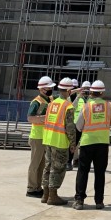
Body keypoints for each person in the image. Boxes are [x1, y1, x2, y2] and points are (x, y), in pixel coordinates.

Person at [73, 80, 111, 210]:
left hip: (87, 142)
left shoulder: (86, 106)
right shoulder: (109, 106)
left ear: (91, 92)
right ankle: (99, 201)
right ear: (102, 92)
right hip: (102, 143)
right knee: (100, 172)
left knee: (83, 171)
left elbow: (78, 126)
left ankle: (79, 200)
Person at [41, 77, 77, 206]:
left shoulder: (52, 103)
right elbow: (70, 127)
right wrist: (73, 143)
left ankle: (45, 194)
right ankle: (53, 196)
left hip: (48, 138)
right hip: (60, 141)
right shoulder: (68, 106)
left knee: (48, 166)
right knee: (58, 168)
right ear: (68, 90)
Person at [26, 75, 55, 197]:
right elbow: (30, 118)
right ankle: (31, 188)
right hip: (37, 137)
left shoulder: (50, 100)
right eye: (48, 88)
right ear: (42, 89)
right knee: (35, 164)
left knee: (42, 165)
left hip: (45, 137)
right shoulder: (36, 102)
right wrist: (44, 118)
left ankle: (38, 187)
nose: (50, 90)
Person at [71, 81, 91, 168]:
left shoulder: (91, 99)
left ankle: (83, 160)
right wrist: (78, 96)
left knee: (85, 144)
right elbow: (72, 107)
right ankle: (75, 160)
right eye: (84, 89)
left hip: (88, 125)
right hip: (76, 124)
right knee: (75, 144)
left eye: (88, 89)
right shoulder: (78, 98)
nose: (86, 91)